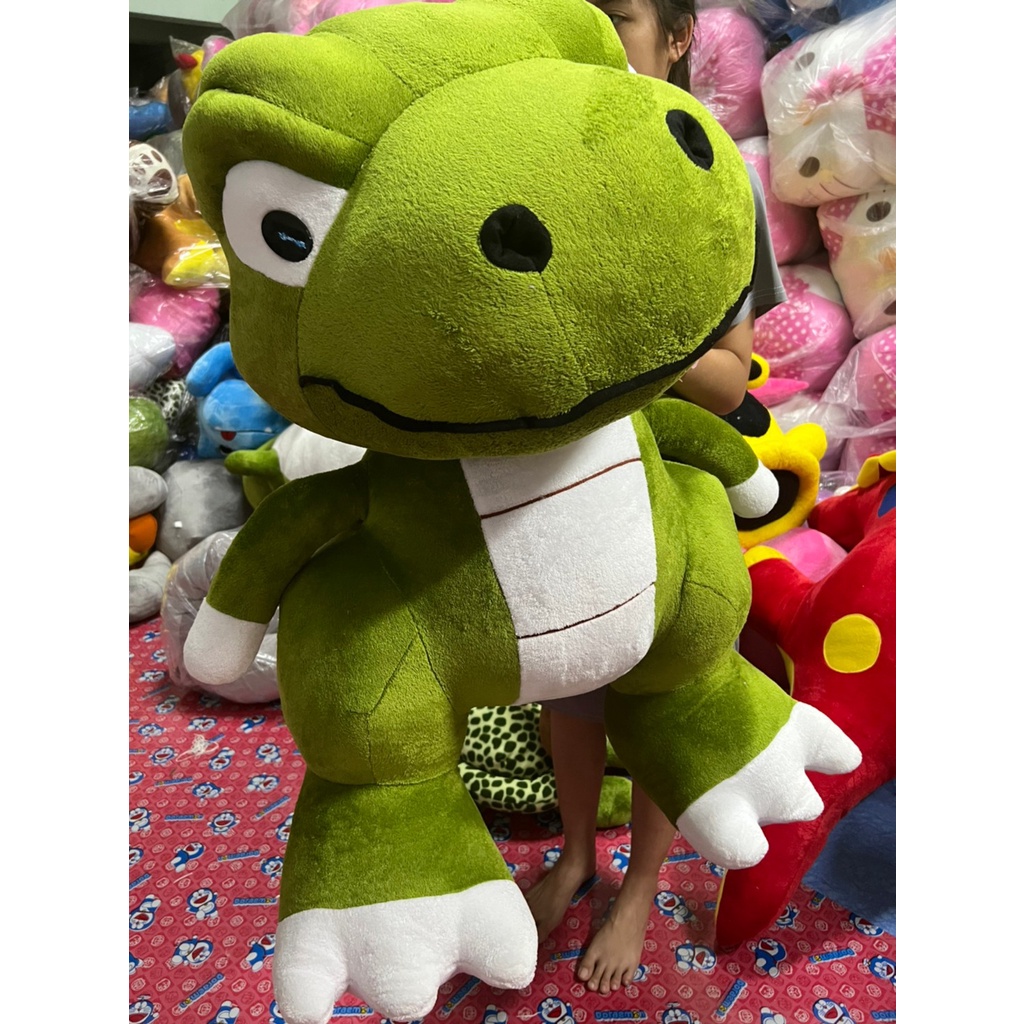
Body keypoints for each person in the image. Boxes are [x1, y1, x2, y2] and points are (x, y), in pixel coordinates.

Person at [523, 0, 788, 995]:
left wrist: (621, 333)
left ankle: (639, 883)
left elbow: (729, 379)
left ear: (677, 38)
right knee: (571, 683)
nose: (600, 37)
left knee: (664, 685)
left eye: (623, 17)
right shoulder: (545, 158)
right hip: (568, 478)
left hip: (671, 487)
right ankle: (576, 856)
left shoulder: (708, 173)